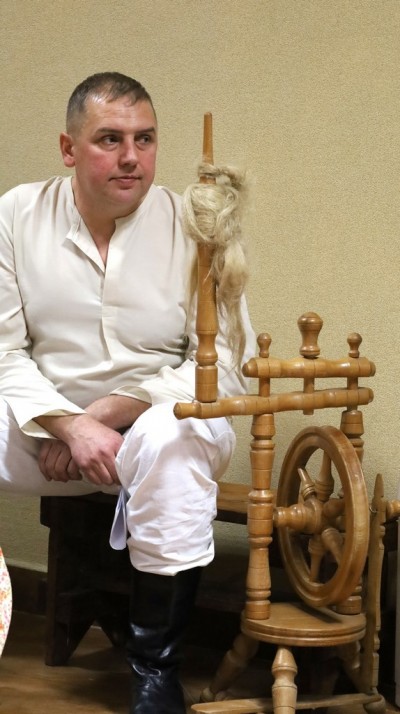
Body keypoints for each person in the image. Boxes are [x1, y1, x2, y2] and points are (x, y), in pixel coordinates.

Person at [0, 72, 255, 713]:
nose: (131, 157)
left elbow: (227, 364)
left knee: (175, 437)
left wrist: (107, 413)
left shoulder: (194, 224)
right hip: (44, 432)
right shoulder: (16, 214)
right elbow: (3, 352)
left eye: (145, 139)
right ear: (69, 148)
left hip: (154, 428)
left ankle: (154, 672)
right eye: (109, 139)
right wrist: (64, 424)